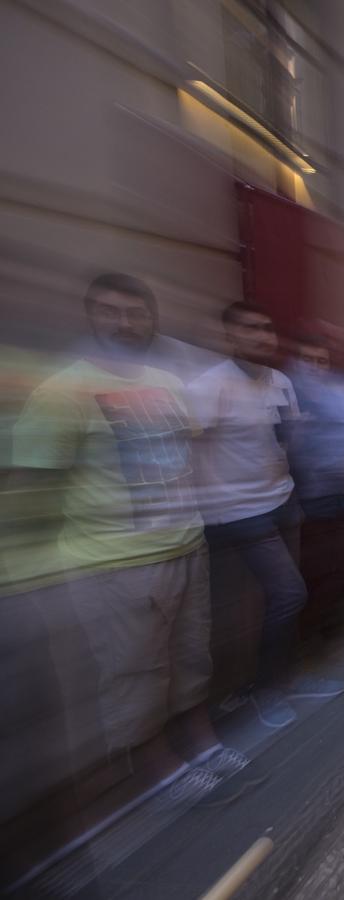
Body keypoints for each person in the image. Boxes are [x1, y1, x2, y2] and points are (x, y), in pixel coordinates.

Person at [9, 273, 238, 813]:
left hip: (184, 544)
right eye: (111, 312)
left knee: (189, 656)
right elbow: (35, 479)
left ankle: (201, 742)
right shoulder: (63, 390)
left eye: (136, 313)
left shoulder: (168, 382)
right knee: (135, 669)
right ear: (91, 317)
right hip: (113, 560)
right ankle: (156, 766)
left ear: (151, 320)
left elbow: (187, 456)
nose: (125, 323)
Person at [188, 303, 344, 729]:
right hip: (236, 511)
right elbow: (187, 449)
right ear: (229, 337)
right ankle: (265, 691)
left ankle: (284, 679)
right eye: (249, 330)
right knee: (289, 594)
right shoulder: (210, 386)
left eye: (267, 329)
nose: (261, 337)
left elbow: (283, 438)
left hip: (280, 501)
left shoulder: (280, 381)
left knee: (278, 600)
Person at [286, 334, 344, 644]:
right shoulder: (288, 393)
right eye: (308, 360)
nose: (315, 367)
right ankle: (309, 636)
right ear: (296, 362)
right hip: (312, 500)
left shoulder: (333, 395)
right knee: (316, 573)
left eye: (321, 361)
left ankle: (325, 622)